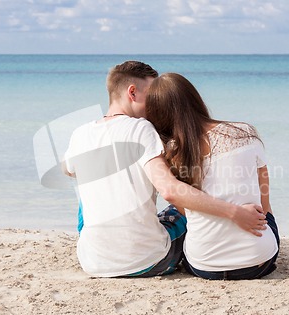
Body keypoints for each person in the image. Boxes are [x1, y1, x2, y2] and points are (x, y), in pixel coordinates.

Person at [63, 61, 268, 278]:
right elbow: (169, 190)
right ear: (132, 92)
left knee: (88, 190)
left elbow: (69, 170)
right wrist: (233, 212)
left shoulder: (80, 133)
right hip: (149, 261)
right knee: (180, 209)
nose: (156, 106)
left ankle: (103, 245)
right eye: (152, 96)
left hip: (92, 263)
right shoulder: (141, 128)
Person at [145, 72, 280, 280]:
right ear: (195, 99)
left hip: (205, 266)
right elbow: (264, 187)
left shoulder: (171, 152)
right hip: (257, 262)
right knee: (265, 215)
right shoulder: (244, 132)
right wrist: (262, 217)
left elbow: (186, 208)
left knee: (179, 212)